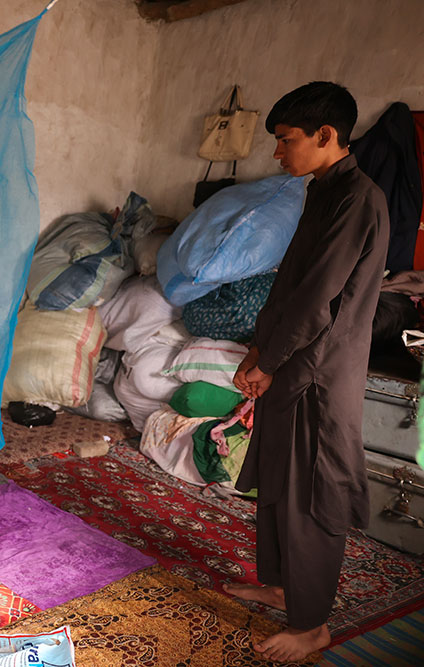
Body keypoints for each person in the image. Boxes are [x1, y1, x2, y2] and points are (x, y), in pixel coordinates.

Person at [227, 82, 389, 662]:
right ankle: (280, 587)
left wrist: (271, 362)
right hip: (288, 362)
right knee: (277, 481)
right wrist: (256, 352)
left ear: (326, 136)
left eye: (286, 140)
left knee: (310, 495)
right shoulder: (321, 190)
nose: (278, 154)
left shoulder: (358, 199)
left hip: (318, 373)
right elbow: (288, 286)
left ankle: (313, 623)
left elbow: (319, 297)